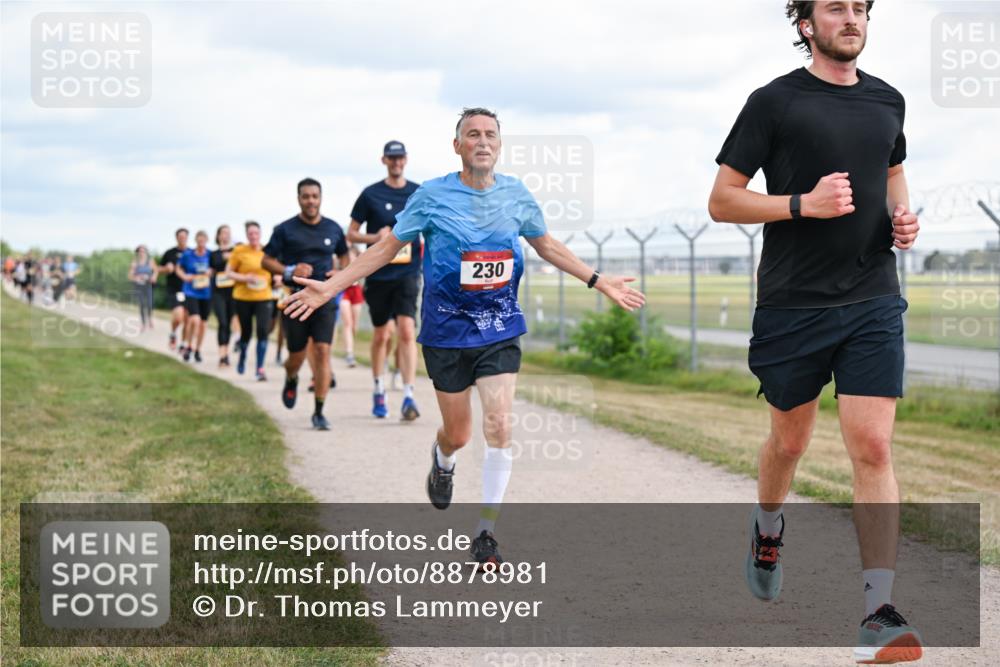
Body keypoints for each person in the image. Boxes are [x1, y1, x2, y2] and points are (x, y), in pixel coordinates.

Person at [285, 108, 644, 568]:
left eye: (490, 134)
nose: (482, 141)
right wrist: (332, 286)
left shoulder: (516, 194)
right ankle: (443, 457)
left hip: (499, 327)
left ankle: (486, 533)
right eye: (472, 134)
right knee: (460, 432)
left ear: (499, 145)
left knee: (500, 426)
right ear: (457, 145)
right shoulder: (432, 196)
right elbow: (387, 247)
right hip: (447, 331)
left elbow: (546, 244)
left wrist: (598, 280)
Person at [707, 2, 923, 664]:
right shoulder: (774, 102)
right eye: (836, 8)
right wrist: (801, 203)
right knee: (789, 439)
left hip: (872, 297)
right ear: (805, 23)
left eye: (860, 8)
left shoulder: (889, 100)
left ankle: (877, 612)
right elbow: (722, 200)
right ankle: (768, 525)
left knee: (873, 445)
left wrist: (903, 217)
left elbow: (891, 175)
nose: (851, 18)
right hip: (792, 306)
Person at [261, 178, 350, 431]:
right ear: (298, 198)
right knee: (297, 356)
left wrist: (340, 271)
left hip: (324, 298)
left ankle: (319, 411)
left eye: (314, 196)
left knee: (322, 352)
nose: (310, 200)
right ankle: (291, 377)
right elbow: (266, 261)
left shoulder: (333, 228)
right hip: (296, 299)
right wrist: (290, 269)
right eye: (305, 196)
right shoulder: (285, 229)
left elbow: (344, 254)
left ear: (320, 198)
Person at [348, 140, 422, 420]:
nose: (396, 162)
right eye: (391, 158)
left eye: (400, 158)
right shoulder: (370, 194)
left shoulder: (417, 193)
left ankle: (408, 395)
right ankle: (379, 389)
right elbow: (352, 234)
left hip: (407, 272)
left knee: (405, 330)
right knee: (382, 334)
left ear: (406, 159)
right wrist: (376, 238)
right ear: (384, 161)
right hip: (379, 274)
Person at [227, 221, 274, 381]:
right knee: (246, 332)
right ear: (247, 235)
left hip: (264, 297)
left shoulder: (268, 250)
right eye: (250, 233)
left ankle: (260, 368)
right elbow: (229, 273)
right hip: (243, 297)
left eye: (256, 233)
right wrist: (245, 277)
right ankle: (243, 356)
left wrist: (279, 278)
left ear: (260, 234)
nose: (254, 236)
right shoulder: (239, 251)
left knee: (262, 330)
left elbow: (275, 270)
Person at [175, 230, 213, 363]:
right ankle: (189, 346)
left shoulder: (210, 254)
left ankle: (198, 350)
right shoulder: (188, 254)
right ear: (196, 241)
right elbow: (178, 268)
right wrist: (185, 276)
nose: (201, 243)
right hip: (191, 291)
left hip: (206, 293)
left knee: (203, 323)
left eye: (204, 240)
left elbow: (216, 267)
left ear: (207, 241)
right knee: (194, 319)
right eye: (199, 240)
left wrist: (210, 271)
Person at [211, 225, 238, 367]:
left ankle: (227, 353)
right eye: (223, 233)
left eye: (228, 233)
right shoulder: (213, 254)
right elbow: (210, 268)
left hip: (234, 292)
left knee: (230, 322)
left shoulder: (236, 251)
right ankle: (222, 356)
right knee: (222, 322)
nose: (226, 235)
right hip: (218, 292)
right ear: (218, 236)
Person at [159, 228, 190, 352]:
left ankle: (183, 343)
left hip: (189, 290)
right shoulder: (169, 253)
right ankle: (173, 333)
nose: (182, 239)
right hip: (174, 289)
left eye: (184, 237)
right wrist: (166, 268)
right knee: (179, 316)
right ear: (176, 238)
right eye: (180, 237)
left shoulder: (191, 253)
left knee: (187, 318)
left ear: (187, 238)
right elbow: (158, 269)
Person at [336, 245, 364, 368]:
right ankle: (349, 353)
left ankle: (350, 346)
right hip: (344, 291)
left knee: (354, 325)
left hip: (356, 291)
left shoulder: (359, 254)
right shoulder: (341, 255)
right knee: (347, 323)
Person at [128, 245, 158, 330]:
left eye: (143, 251)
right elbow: (130, 275)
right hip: (139, 286)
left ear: (146, 252)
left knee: (149, 303)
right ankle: (143, 323)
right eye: (140, 251)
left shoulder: (150, 261)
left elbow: (156, 270)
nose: (141, 253)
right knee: (141, 304)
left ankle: (150, 319)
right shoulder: (135, 262)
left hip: (148, 285)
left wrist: (154, 277)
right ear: (137, 253)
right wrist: (136, 278)